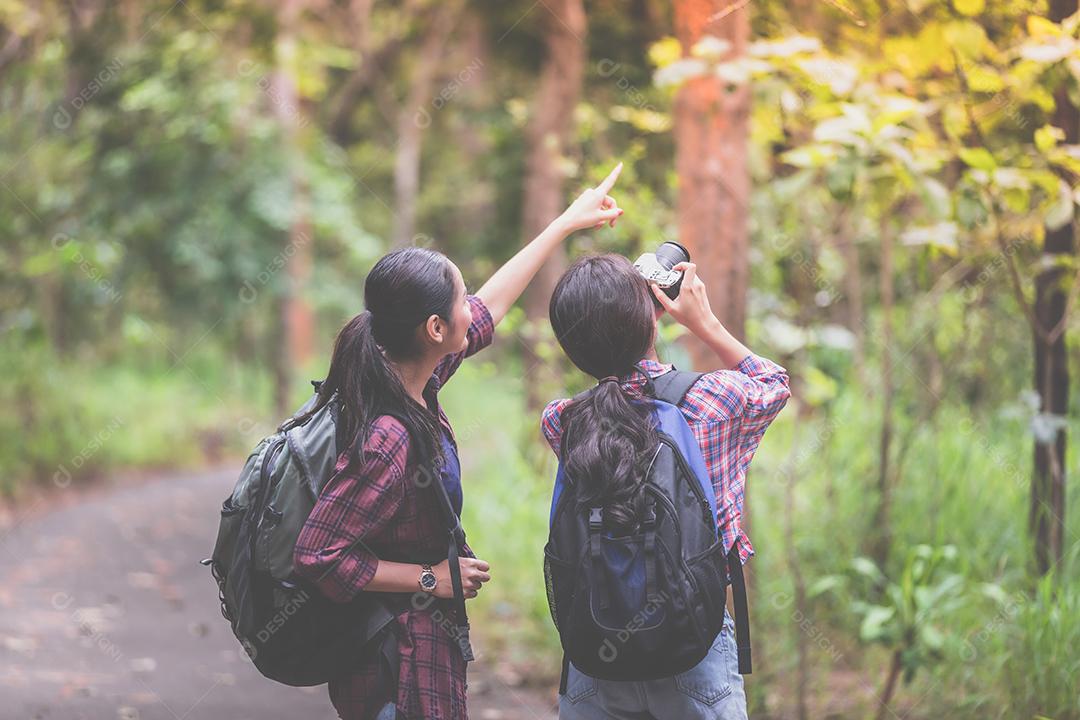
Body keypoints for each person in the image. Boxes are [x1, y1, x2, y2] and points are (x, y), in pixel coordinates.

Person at [291, 164, 625, 720]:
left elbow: (491, 306)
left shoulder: (411, 379)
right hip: (394, 674)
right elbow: (318, 555)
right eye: (461, 298)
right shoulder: (389, 436)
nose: (473, 307)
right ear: (434, 329)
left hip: (420, 662)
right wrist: (432, 578)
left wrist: (566, 223)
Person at [541, 254, 791, 720]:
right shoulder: (713, 401)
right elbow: (774, 383)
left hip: (595, 649)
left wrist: (630, 326)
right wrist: (704, 322)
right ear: (651, 322)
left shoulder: (562, 420)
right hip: (692, 645)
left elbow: (616, 389)